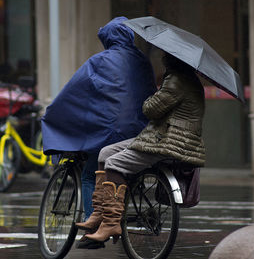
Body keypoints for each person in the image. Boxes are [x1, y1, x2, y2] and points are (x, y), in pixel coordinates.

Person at [41, 17, 156, 248]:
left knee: (88, 172)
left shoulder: (100, 61)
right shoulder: (142, 61)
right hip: (140, 130)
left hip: (111, 132)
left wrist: (53, 114)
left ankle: (92, 224)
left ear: (107, 38)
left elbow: (74, 91)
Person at [76, 52, 206, 244]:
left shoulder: (177, 80)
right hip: (165, 138)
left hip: (168, 142)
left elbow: (151, 109)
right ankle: (100, 212)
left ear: (172, 60)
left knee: (114, 163)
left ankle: (111, 223)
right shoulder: (187, 79)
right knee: (105, 153)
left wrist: (150, 96)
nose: (162, 59)